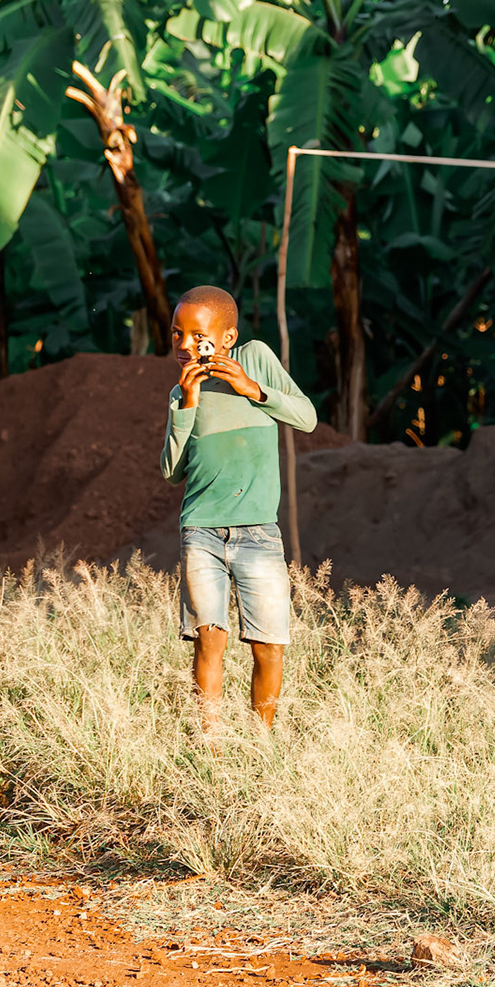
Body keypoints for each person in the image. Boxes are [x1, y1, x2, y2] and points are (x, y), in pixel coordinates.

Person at [160, 285, 317, 729]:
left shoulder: (257, 357)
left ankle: (260, 742)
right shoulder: (180, 393)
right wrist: (187, 406)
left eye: (197, 335)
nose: (185, 345)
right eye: (176, 334)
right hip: (202, 530)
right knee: (209, 638)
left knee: (268, 645)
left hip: (259, 533)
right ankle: (208, 742)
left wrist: (252, 388)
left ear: (227, 338)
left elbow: (306, 418)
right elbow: (171, 471)